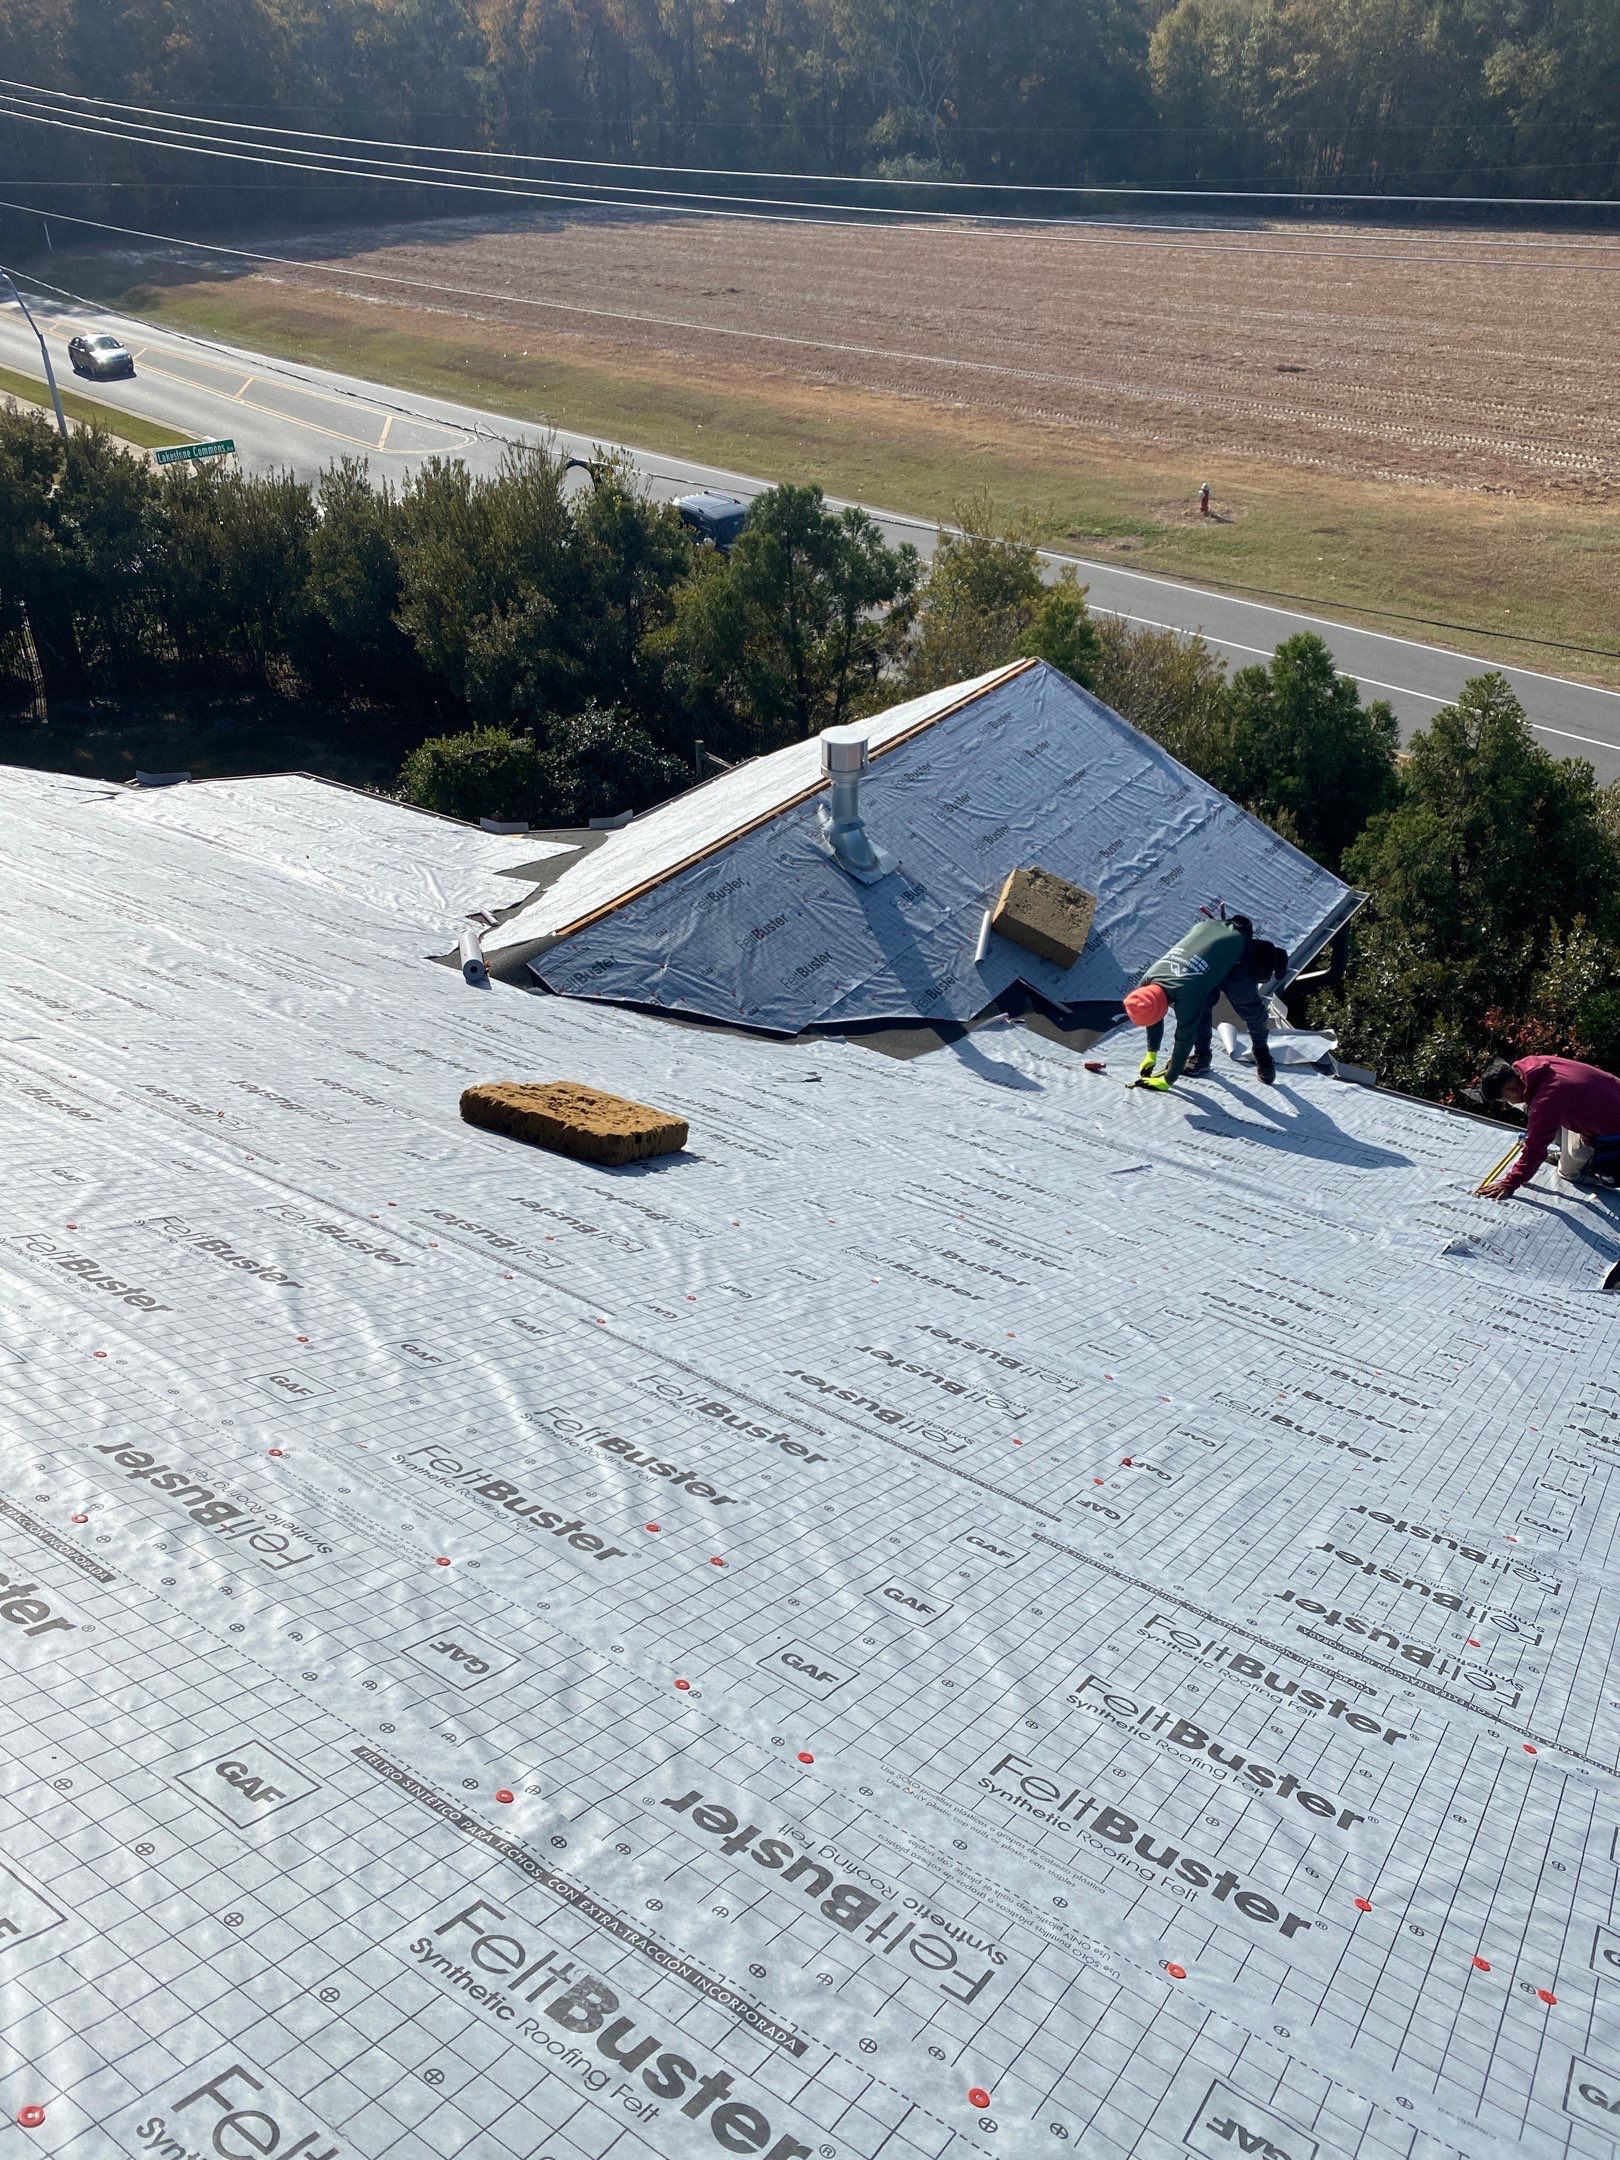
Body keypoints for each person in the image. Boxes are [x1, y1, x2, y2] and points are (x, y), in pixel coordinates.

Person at [1123, 914, 1280, 1090]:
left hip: (1237, 955)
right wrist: (1152, 1052)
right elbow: (1151, 1010)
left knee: (1250, 1009)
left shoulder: (1187, 993)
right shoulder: (1148, 981)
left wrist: (1168, 1080)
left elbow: (1184, 1039)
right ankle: (1202, 1056)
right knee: (1202, 1006)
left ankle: (1261, 1051)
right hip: (1207, 946)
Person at [1478, 1054, 1620, 1199]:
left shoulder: (1547, 1099)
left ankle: (1591, 1170)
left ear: (1513, 1090)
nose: (1510, 1103)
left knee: (1567, 1171)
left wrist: (1509, 1184)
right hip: (1611, 1094)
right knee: (1537, 1112)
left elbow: (1535, 1148)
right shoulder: (1530, 1064)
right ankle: (1570, 1152)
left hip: (1612, 1131)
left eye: (1506, 1099)